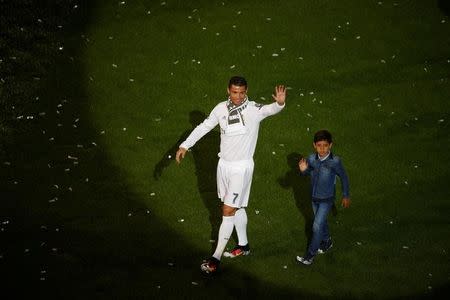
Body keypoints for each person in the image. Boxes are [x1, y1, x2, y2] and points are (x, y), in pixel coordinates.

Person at [176, 76, 286, 274]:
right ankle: (243, 246)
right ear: (228, 90)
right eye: (234, 92)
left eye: (242, 92)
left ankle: (215, 258)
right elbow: (204, 126)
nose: (238, 96)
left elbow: (270, 109)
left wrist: (279, 103)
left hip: (241, 169)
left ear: (246, 91)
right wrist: (185, 145)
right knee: (237, 207)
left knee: (227, 211)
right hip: (224, 167)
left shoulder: (253, 109)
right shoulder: (220, 109)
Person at [296, 129, 350, 265]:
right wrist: (303, 170)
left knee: (316, 225)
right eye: (319, 145)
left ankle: (309, 256)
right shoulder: (311, 159)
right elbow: (306, 173)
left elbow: (344, 177)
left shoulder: (335, 162)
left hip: (327, 200)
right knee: (322, 222)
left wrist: (345, 195)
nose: (322, 149)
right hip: (314, 198)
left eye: (325, 145)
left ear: (330, 145)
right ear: (314, 145)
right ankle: (327, 241)